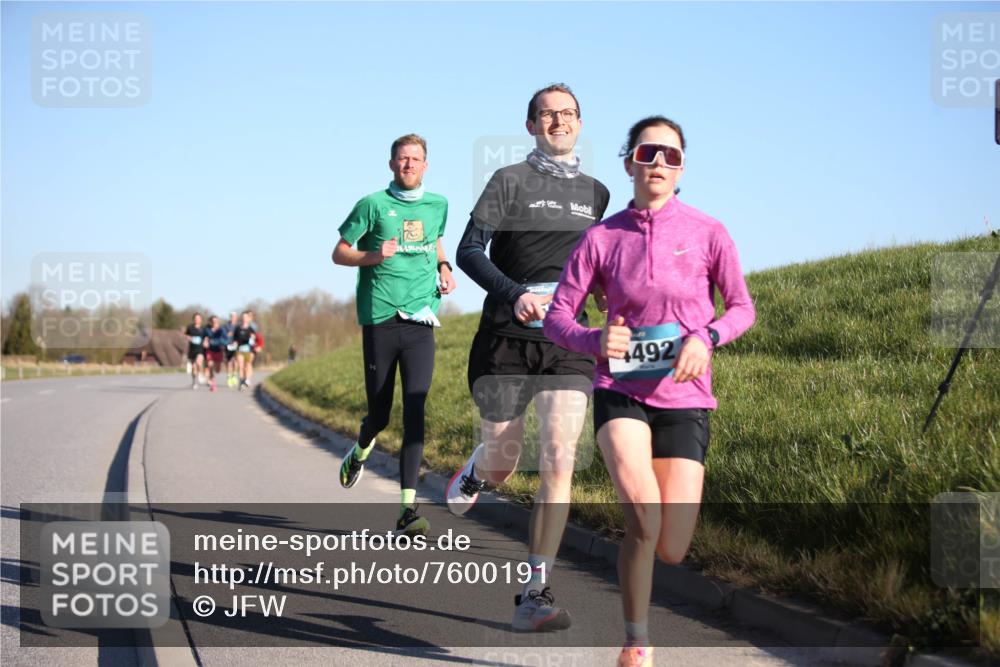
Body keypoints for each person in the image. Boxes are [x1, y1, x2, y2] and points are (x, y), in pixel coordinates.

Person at [543, 116, 756, 666]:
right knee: (643, 515)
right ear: (629, 162)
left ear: (681, 167)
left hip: (686, 398)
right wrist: (595, 337)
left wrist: (706, 338)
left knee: (673, 545)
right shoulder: (601, 237)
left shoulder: (709, 231)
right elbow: (557, 317)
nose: (659, 162)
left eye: (671, 155)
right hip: (621, 390)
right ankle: (636, 641)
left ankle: (642, 606)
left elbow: (742, 308)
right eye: (648, 152)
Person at [448, 83, 610, 631]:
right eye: (547, 114)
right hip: (506, 336)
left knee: (561, 459)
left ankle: (534, 590)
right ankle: (477, 470)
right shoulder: (507, 180)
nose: (558, 121)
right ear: (531, 125)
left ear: (580, 123)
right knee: (504, 460)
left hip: (568, 341)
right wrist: (516, 293)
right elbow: (470, 248)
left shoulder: (598, 194)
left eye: (567, 114)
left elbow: (598, 265)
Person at [332, 133, 456, 537]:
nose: (409, 165)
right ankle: (361, 449)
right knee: (381, 413)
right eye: (402, 159)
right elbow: (339, 251)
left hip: (421, 319)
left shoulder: (438, 204)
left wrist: (444, 267)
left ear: (426, 165)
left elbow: (435, 241)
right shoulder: (371, 205)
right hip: (380, 318)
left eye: (416, 159)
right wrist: (372, 256)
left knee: (415, 411)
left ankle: (407, 510)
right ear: (391, 164)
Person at [232, 311, 257, 391]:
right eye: (243, 317)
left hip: (248, 350)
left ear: (248, 319)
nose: (244, 319)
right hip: (240, 349)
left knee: (248, 365)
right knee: (240, 364)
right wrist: (234, 343)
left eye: (246, 317)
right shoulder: (237, 328)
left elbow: (254, 339)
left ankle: (247, 379)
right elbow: (234, 339)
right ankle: (241, 380)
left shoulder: (251, 329)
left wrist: (252, 338)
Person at [184, 313, 207, 389]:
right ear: (194, 319)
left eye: (198, 318)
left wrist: (205, 341)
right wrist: (189, 338)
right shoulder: (190, 327)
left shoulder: (203, 328)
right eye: (196, 318)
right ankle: (194, 381)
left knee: (199, 362)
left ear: (201, 319)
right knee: (193, 366)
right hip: (192, 349)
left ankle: (200, 374)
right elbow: (186, 335)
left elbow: (206, 337)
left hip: (200, 349)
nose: (197, 320)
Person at [205, 315, 227, 392]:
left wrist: (222, 344)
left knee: (217, 370)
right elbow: (204, 338)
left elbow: (226, 340)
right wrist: (205, 342)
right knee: (210, 366)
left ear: (218, 322)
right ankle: (213, 384)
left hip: (218, 351)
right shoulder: (207, 330)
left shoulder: (221, 330)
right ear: (210, 322)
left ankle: (213, 377)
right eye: (213, 321)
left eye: (216, 321)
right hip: (210, 351)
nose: (214, 322)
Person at [223, 311, 239, 388]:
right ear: (230, 317)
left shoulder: (238, 325)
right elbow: (223, 334)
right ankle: (229, 377)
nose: (233, 318)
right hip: (228, 345)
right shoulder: (226, 326)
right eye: (232, 316)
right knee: (229, 362)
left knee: (235, 361)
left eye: (235, 316)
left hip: (236, 345)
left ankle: (234, 375)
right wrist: (227, 335)